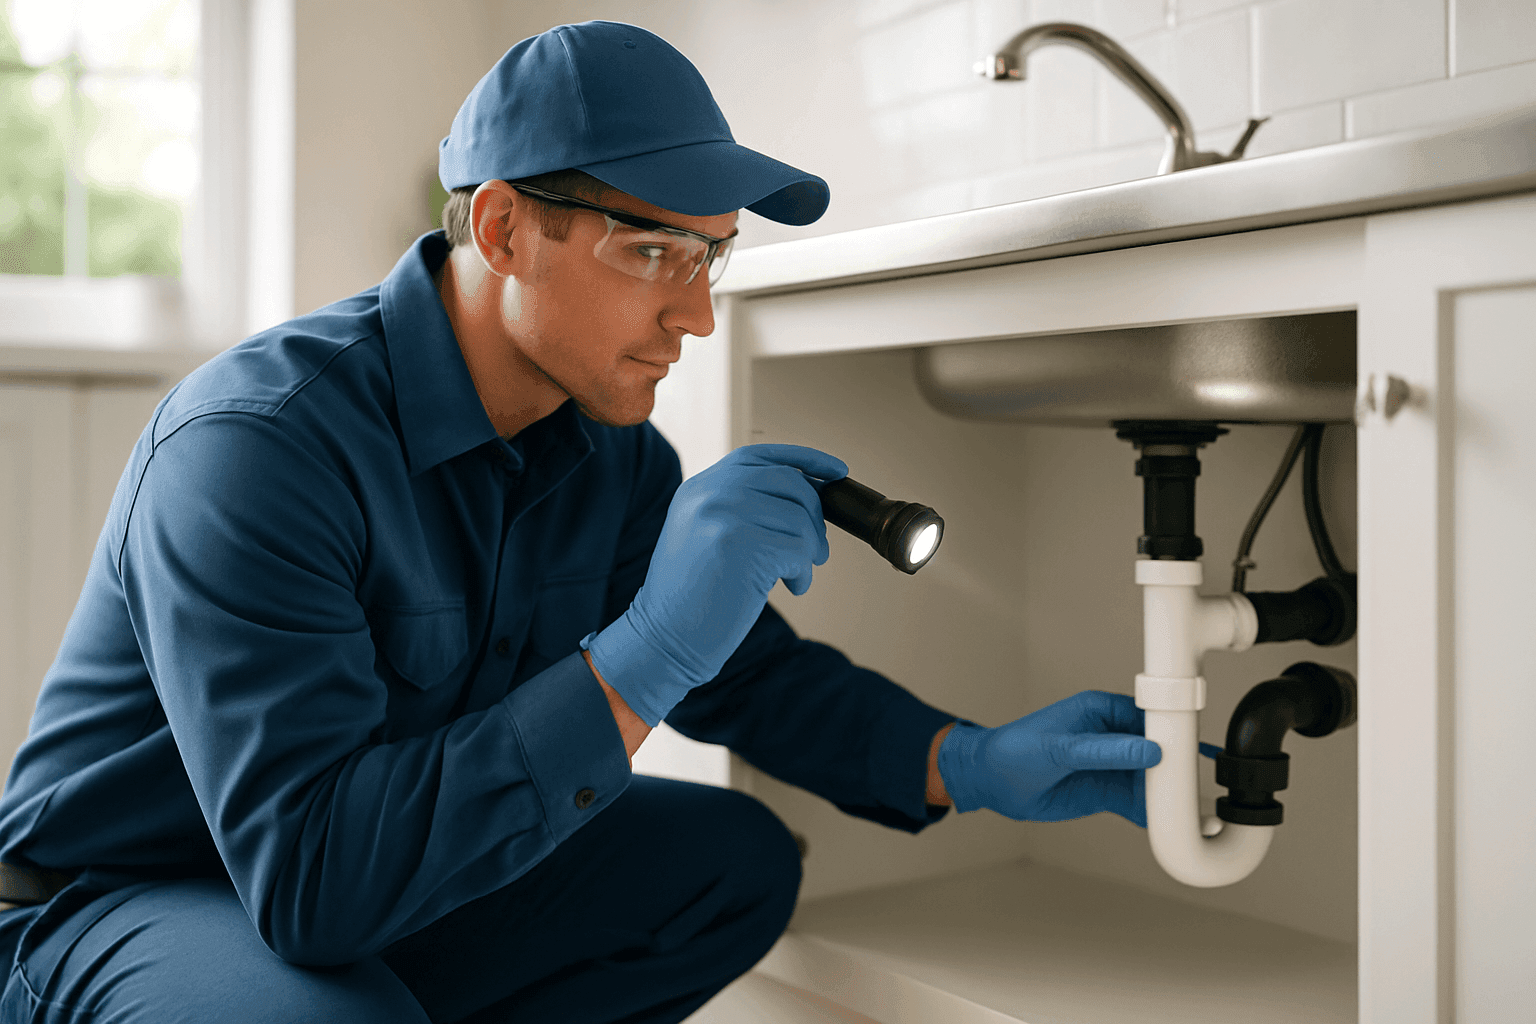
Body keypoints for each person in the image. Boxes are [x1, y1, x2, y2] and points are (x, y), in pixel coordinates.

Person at [0, 21, 1164, 1023]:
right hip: (127, 893)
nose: (696, 312)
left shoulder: (609, 457)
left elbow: (756, 685)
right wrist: (640, 656)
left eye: (713, 254)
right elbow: (309, 878)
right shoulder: (257, 448)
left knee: (729, 866)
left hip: (364, 883)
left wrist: (973, 761)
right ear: (504, 230)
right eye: (653, 249)